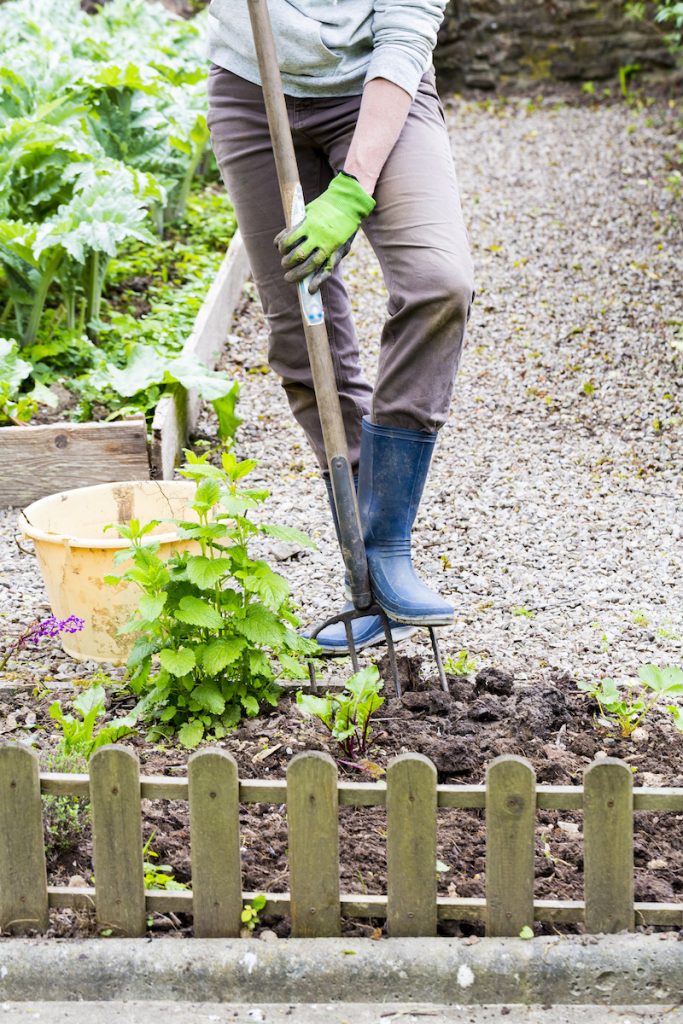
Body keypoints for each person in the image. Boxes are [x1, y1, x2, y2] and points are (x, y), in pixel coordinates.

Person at [206, 0, 475, 654]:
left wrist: (353, 190)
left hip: (376, 88)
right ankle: (366, 569)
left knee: (438, 283)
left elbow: (406, 30)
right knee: (304, 339)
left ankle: (387, 542)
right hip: (253, 91)